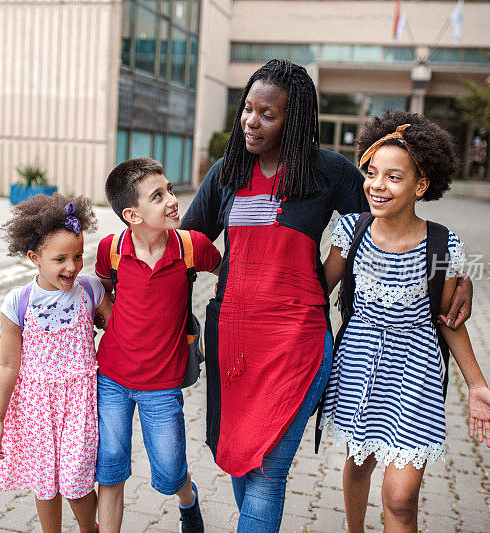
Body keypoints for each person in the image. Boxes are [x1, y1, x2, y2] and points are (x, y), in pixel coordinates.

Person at [180, 59, 474, 532]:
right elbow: (185, 246)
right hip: (232, 343)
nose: (252, 121)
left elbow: (394, 227)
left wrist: (456, 276)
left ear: (293, 120)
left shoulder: (329, 171)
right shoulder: (227, 172)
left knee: (269, 475)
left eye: (268, 114)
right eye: (248, 110)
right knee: (238, 460)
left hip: (298, 342)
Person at [319, 111, 490, 532]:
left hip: (415, 371)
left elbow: (450, 320)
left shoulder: (444, 243)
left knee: (401, 499)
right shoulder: (349, 231)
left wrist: (477, 385)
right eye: (371, 173)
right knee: (356, 468)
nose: (376, 186)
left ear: (420, 185)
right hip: (357, 365)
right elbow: (314, 296)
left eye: (393, 177)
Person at [94, 158, 221, 533]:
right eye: (158, 195)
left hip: (163, 385)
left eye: (168, 190)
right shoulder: (111, 249)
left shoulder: (191, 247)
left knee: (169, 470)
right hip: (112, 378)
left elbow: (230, 273)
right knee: (110, 466)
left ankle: (188, 502)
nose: (172, 200)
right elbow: (103, 286)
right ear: (132, 215)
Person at [0, 193, 111, 533]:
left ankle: (88, 529)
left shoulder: (90, 292)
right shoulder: (18, 301)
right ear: (35, 257)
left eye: (79, 256)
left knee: (77, 478)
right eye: (60, 259)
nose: (72, 266)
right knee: (45, 479)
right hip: (36, 405)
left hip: (80, 402)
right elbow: (7, 364)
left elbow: (119, 332)